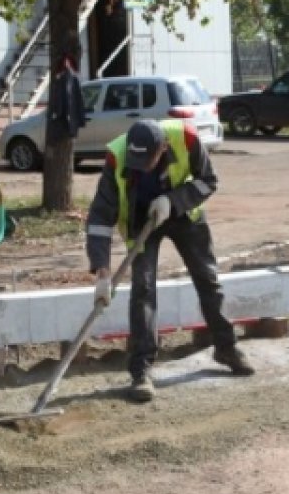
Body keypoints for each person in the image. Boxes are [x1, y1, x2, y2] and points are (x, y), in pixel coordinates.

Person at [86, 118, 255, 403]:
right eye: (135, 160)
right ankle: (141, 371)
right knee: (143, 289)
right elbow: (101, 216)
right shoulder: (117, 156)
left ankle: (226, 347)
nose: (140, 166)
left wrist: (173, 200)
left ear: (163, 148)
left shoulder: (186, 139)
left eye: (147, 160)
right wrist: (102, 272)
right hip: (141, 220)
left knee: (207, 278)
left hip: (183, 213)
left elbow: (209, 181)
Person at [48, 53, 87, 140]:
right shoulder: (60, 80)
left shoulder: (73, 79)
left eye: (68, 62)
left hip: (68, 116)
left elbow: (78, 99)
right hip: (63, 117)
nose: (66, 64)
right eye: (65, 62)